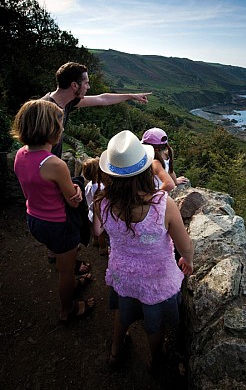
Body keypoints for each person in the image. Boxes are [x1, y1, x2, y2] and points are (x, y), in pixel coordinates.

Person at [93, 130, 194, 370]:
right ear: (146, 170)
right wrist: (188, 261)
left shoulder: (102, 202)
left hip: (123, 273)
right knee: (154, 324)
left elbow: (103, 233)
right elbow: (185, 246)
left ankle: (115, 353)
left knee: (123, 311)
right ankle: (155, 360)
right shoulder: (162, 205)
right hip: (156, 278)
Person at [41, 61, 150, 264]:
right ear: (75, 85)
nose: (89, 87)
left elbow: (102, 99)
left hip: (52, 168)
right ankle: (61, 258)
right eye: (86, 83)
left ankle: (56, 253)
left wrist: (131, 96)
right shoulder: (49, 110)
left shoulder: (65, 103)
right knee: (62, 213)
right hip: (49, 171)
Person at [11, 99, 95, 323]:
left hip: (34, 219)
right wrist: (77, 188)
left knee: (61, 256)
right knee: (65, 271)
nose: (63, 128)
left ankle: (72, 283)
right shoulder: (54, 164)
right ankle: (68, 309)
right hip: (58, 225)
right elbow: (74, 202)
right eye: (60, 123)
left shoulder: (21, 154)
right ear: (50, 129)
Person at [82, 157, 108, 255]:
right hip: (100, 215)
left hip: (91, 213)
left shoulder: (88, 185)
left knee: (94, 229)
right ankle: (103, 248)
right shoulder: (101, 187)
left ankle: (95, 240)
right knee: (101, 233)